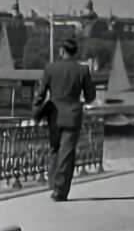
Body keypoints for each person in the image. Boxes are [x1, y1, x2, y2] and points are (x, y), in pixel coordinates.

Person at [33, 35, 96, 201]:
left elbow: (40, 95)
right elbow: (90, 96)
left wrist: (35, 111)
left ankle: (53, 182)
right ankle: (59, 190)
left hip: (53, 116)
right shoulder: (83, 70)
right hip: (72, 116)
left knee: (54, 150)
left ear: (62, 51)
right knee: (66, 153)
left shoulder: (50, 69)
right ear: (75, 52)